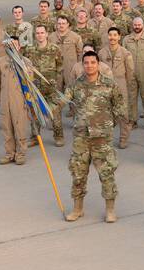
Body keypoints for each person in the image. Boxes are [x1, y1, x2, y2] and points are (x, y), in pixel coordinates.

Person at [63, 50, 127, 222]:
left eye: (93, 62)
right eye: (86, 63)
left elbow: (120, 105)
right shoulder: (76, 85)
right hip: (81, 137)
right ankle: (77, 209)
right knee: (78, 173)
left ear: (98, 64)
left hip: (102, 137)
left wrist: (109, 123)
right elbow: (62, 99)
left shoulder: (109, 84)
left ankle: (110, 210)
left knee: (106, 173)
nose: (89, 65)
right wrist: (41, 104)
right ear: (82, 65)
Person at [25, 24, 65, 148]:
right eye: (37, 33)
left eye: (42, 32)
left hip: (51, 87)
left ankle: (58, 136)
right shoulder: (30, 50)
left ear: (47, 34)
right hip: (35, 87)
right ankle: (35, 137)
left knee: (55, 112)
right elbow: (26, 67)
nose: (40, 35)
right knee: (35, 113)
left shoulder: (54, 49)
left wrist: (56, 81)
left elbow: (60, 66)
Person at [0, 34, 31, 165]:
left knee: (20, 126)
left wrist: (29, 102)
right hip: (5, 99)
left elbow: (30, 84)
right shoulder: (0, 62)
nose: (12, 47)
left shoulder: (26, 62)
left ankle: (21, 153)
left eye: (15, 45)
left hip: (19, 99)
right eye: (9, 45)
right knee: (7, 127)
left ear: (19, 46)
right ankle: (9, 153)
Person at [97, 26, 135, 148]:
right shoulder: (102, 53)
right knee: (106, 113)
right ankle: (106, 138)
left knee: (123, 114)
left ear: (119, 37)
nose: (112, 37)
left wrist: (125, 86)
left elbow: (130, 72)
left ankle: (123, 139)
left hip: (121, 85)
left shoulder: (125, 53)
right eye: (110, 35)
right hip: (106, 86)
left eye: (115, 35)